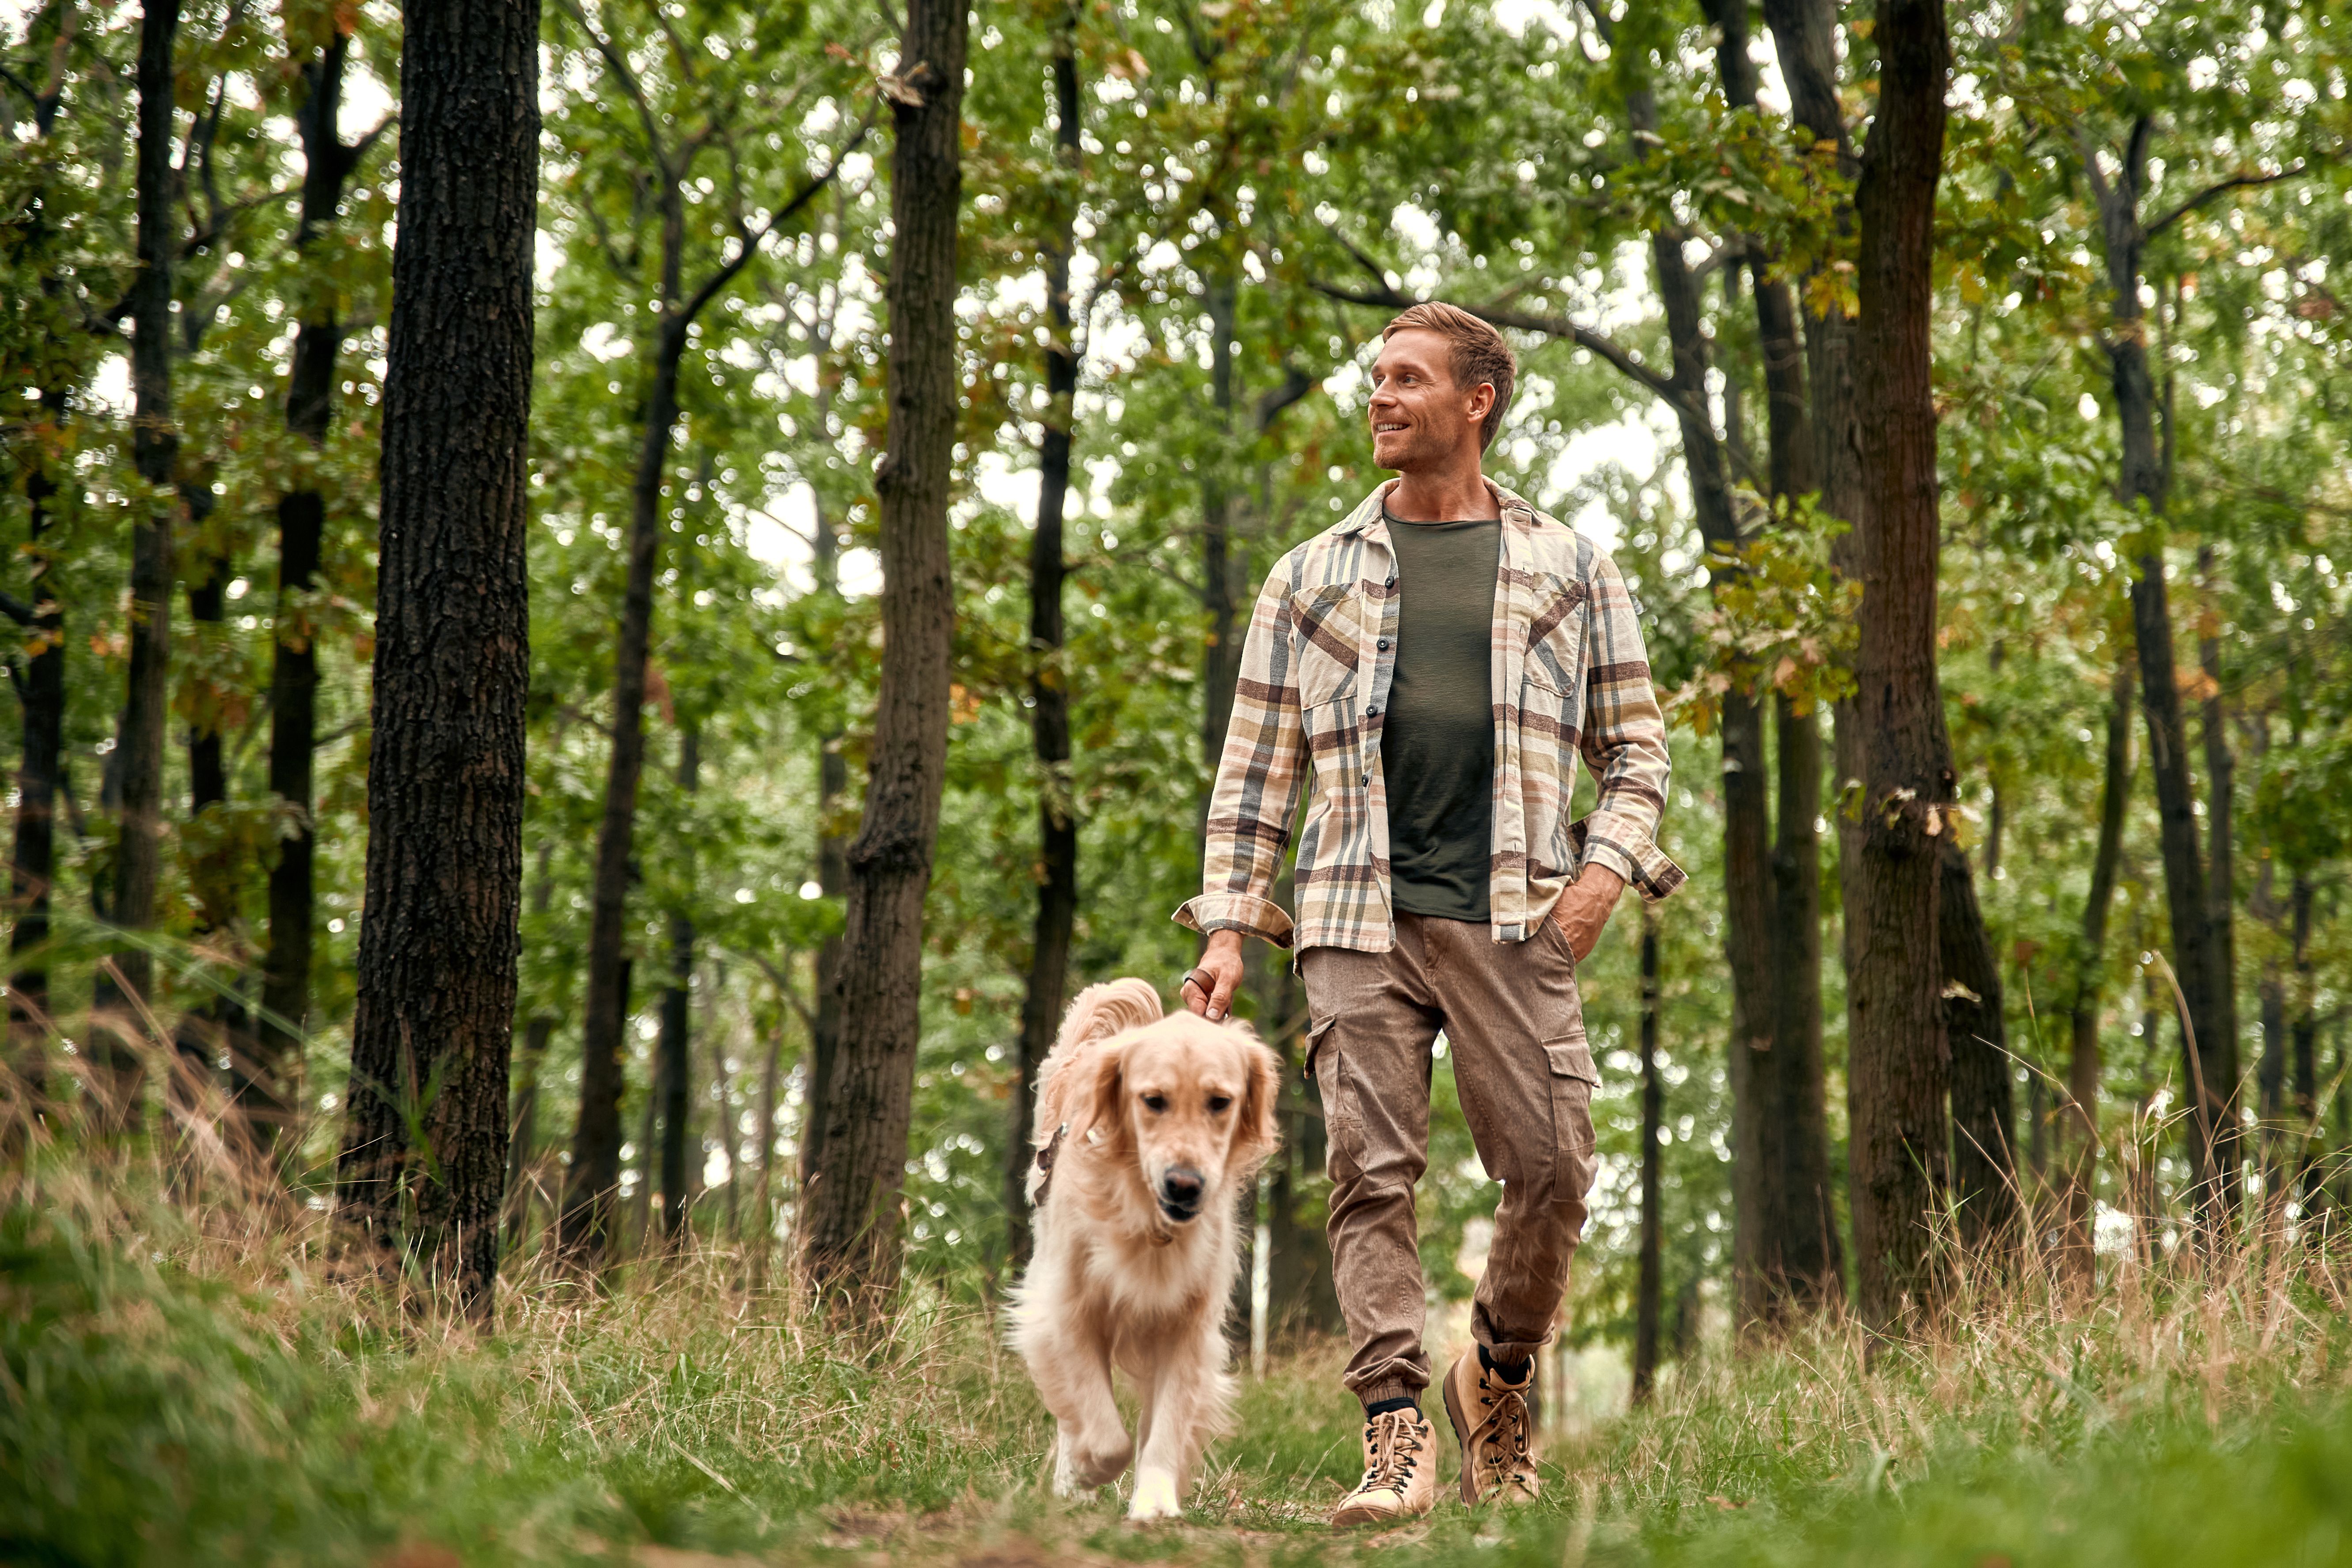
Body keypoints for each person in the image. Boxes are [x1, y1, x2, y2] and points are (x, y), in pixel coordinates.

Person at [1175, 302, 1682, 1526]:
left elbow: (1641, 751)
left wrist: (1602, 879)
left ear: (1478, 401)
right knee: (1370, 1173)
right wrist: (1230, 927)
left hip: (1518, 918)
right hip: (1356, 918)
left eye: (1408, 380)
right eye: (1375, 379)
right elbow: (1254, 775)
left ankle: (1495, 1377)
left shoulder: (1569, 565)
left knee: (1555, 1168)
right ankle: (1393, 1430)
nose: (1381, 398)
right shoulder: (1311, 577)